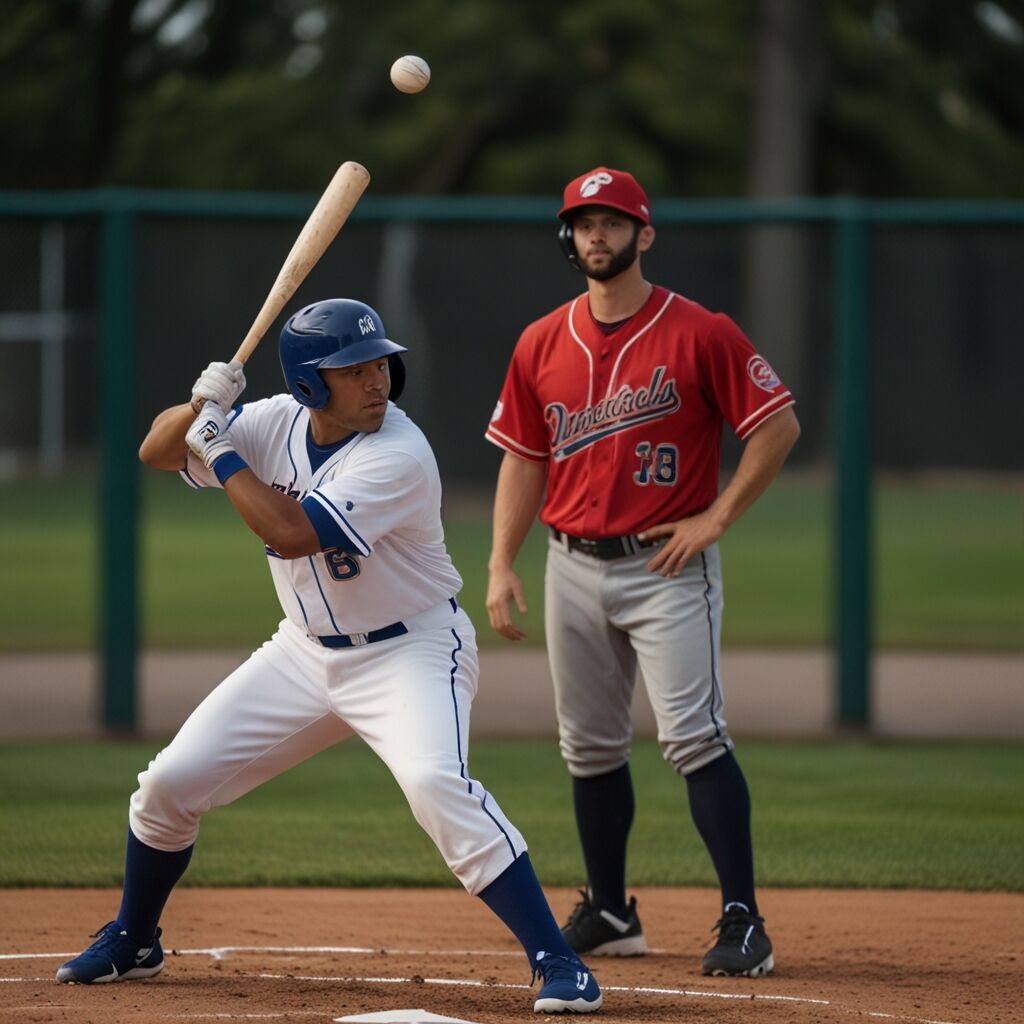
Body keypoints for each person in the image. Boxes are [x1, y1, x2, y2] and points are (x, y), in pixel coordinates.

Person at [56, 298, 602, 1016]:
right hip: (303, 654)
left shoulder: (399, 452)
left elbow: (289, 533)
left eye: (380, 363)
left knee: (436, 784)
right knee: (166, 786)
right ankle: (134, 937)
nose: (378, 380)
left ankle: (559, 961)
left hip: (411, 649)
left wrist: (218, 447)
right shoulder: (273, 421)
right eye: (354, 369)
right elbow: (155, 452)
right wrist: (200, 405)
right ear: (311, 384)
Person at [484, 168, 800, 977]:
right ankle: (612, 908)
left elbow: (777, 426)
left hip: (665, 565)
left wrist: (718, 516)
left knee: (694, 737)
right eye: (583, 222)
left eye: (613, 221)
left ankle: (743, 921)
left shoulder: (700, 331)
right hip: (568, 564)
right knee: (588, 747)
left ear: (644, 235)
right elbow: (524, 457)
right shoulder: (539, 341)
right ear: (569, 235)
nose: (597, 234)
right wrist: (499, 562)